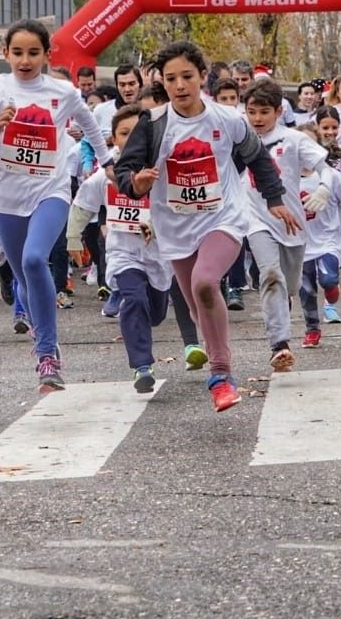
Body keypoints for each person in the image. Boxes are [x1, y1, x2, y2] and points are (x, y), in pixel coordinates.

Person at [115, 41, 296, 412]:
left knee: (204, 282)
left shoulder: (227, 119)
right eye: (170, 79)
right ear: (161, 83)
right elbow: (124, 171)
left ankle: (221, 375)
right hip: (175, 225)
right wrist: (136, 184)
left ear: (202, 78)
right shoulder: (152, 124)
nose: (180, 85)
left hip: (223, 218)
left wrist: (275, 199)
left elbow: (258, 158)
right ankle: (217, 352)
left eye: (187, 76)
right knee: (200, 306)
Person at [0, 21, 109, 392]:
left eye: (33, 53)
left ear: (47, 54)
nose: (25, 60)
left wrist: (108, 164)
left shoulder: (62, 91)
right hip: (6, 197)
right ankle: (42, 336)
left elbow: (91, 128)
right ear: (5, 54)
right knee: (24, 278)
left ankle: (47, 354)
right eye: (17, 53)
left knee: (33, 259)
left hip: (51, 190)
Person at [71, 104, 207, 389]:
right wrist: (72, 239)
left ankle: (154, 331)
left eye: (137, 132)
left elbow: (186, 207)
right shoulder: (106, 176)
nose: (131, 138)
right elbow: (82, 207)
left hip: (161, 256)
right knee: (133, 300)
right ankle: (142, 366)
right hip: (123, 253)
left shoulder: (165, 169)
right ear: (114, 139)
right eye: (124, 133)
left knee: (155, 313)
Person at [241, 78, 330, 370]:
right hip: (255, 220)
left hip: (292, 224)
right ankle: (279, 344)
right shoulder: (239, 138)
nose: (257, 118)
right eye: (252, 111)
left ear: (279, 111)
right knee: (269, 275)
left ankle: (281, 311)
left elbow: (325, 168)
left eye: (264, 112)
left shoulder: (293, 139)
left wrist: (323, 189)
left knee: (287, 286)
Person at [298, 141, 341, 346]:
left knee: (327, 280)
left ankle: (332, 290)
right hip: (300, 244)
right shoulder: (286, 179)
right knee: (306, 290)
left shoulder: (331, 176)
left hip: (328, 240)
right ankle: (312, 328)